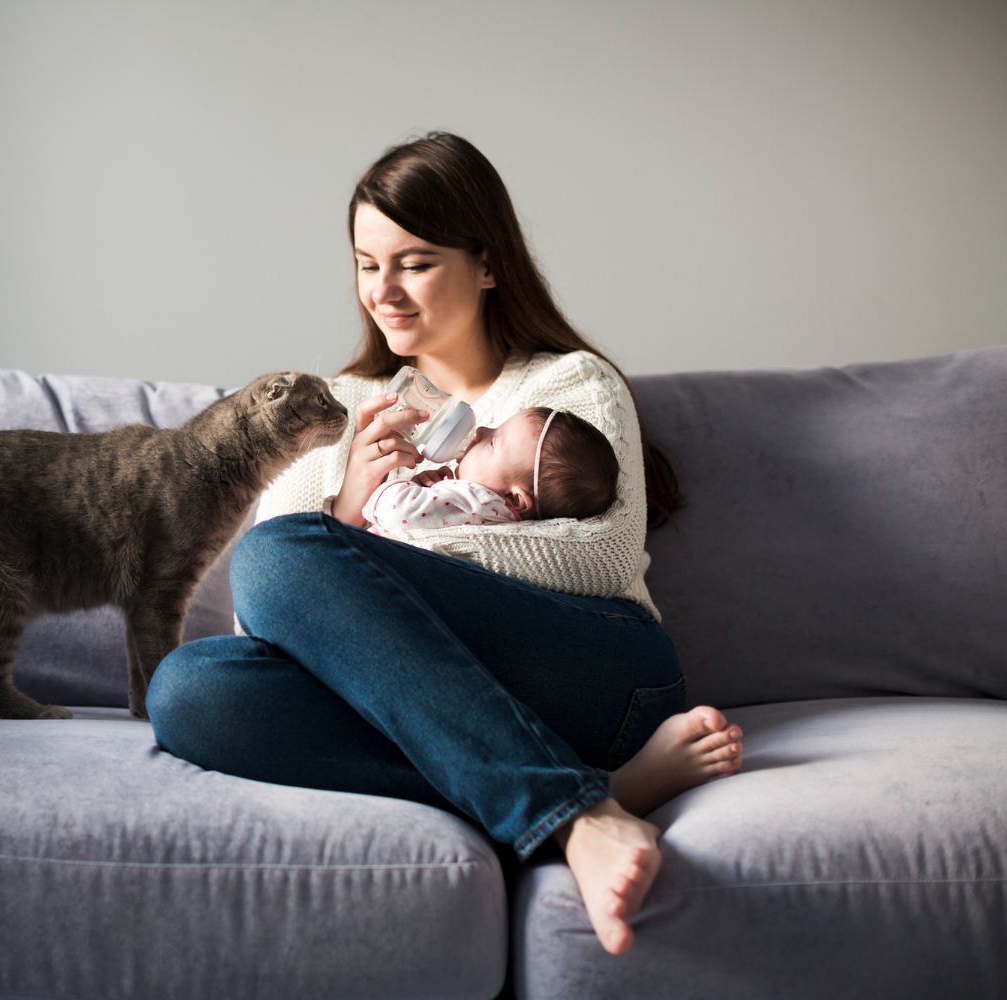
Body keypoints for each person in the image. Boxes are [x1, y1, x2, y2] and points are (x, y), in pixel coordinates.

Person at [145, 132, 742, 956]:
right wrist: (348, 507)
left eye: (415, 263)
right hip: (441, 706)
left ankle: (565, 810)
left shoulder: (566, 385)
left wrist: (380, 556)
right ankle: (592, 798)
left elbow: (600, 560)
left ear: (487, 264)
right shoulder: (336, 411)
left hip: (594, 675)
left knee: (290, 554)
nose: (382, 292)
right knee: (189, 686)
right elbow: (266, 615)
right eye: (366, 264)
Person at [364, 406, 620, 539]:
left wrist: (399, 488)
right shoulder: (491, 515)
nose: (481, 430)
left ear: (514, 499)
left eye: (493, 442)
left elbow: (393, 511)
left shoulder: (476, 501)